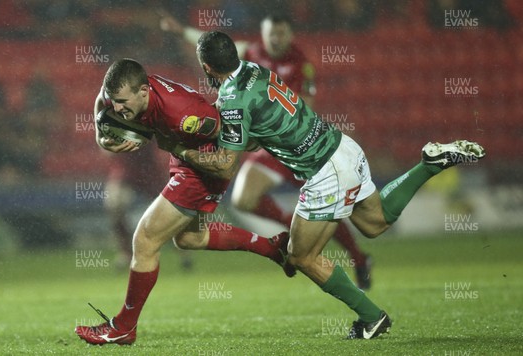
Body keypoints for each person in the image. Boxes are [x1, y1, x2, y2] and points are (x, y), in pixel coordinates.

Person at [162, 31, 486, 339]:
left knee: (301, 256)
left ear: (206, 66)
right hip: (341, 146)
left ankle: (371, 317)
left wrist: (179, 149)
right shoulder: (253, 69)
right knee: (376, 222)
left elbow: (226, 164)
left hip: (324, 172)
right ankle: (428, 165)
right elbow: (255, 128)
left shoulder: (232, 98)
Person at [75, 59, 293, 346]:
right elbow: (101, 102)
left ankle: (123, 327)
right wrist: (102, 137)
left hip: (204, 164)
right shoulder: (119, 94)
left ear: (143, 91)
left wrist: (257, 140)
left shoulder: (182, 111)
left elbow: (227, 134)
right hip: (181, 156)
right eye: (113, 101)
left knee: (145, 239)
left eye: (122, 102)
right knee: (190, 238)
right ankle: (271, 247)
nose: (116, 109)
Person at [161, 13, 374, 289]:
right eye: (271, 33)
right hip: (270, 149)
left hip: (300, 146)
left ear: (290, 34)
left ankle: (358, 258)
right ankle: (291, 231)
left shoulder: (300, 63)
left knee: (337, 209)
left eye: (281, 33)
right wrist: (182, 31)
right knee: (243, 198)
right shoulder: (249, 54)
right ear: (263, 33)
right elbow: (214, 48)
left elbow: (304, 106)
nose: (276, 39)